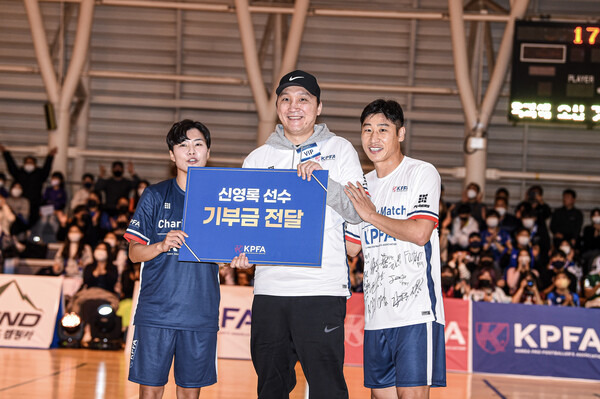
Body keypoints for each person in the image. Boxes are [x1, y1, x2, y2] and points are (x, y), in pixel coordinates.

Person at [230, 70, 364, 399]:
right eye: (286, 99)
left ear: (318, 107)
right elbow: (244, 225)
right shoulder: (257, 159)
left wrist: (324, 182)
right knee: (271, 387)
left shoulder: (340, 149)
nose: (294, 106)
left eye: (304, 99)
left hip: (321, 288)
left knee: (327, 387)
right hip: (270, 291)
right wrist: (240, 253)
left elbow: (358, 212)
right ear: (277, 106)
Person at [344, 99, 445, 399]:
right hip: (376, 317)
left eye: (383, 129)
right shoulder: (361, 185)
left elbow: (420, 233)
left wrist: (371, 214)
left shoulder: (421, 173)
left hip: (416, 313)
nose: (373, 138)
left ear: (400, 134)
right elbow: (351, 248)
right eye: (367, 130)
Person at [124, 119, 220, 399]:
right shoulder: (155, 195)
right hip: (156, 313)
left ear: (208, 152)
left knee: (190, 393)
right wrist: (161, 245)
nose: (191, 151)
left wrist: (238, 259)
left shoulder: (222, 198)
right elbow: (133, 253)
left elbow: (227, 256)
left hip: (200, 313)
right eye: (183, 145)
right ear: (171, 154)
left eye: (198, 144)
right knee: (151, 390)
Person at [0, 144, 57, 226]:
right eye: (27, 163)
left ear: (35, 165)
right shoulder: (19, 173)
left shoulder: (40, 174)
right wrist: (5, 153)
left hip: (35, 203)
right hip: (20, 203)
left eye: (31, 163)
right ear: (24, 164)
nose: (28, 164)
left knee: (35, 221)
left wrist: (50, 156)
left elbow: (47, 168)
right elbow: (11, 166)